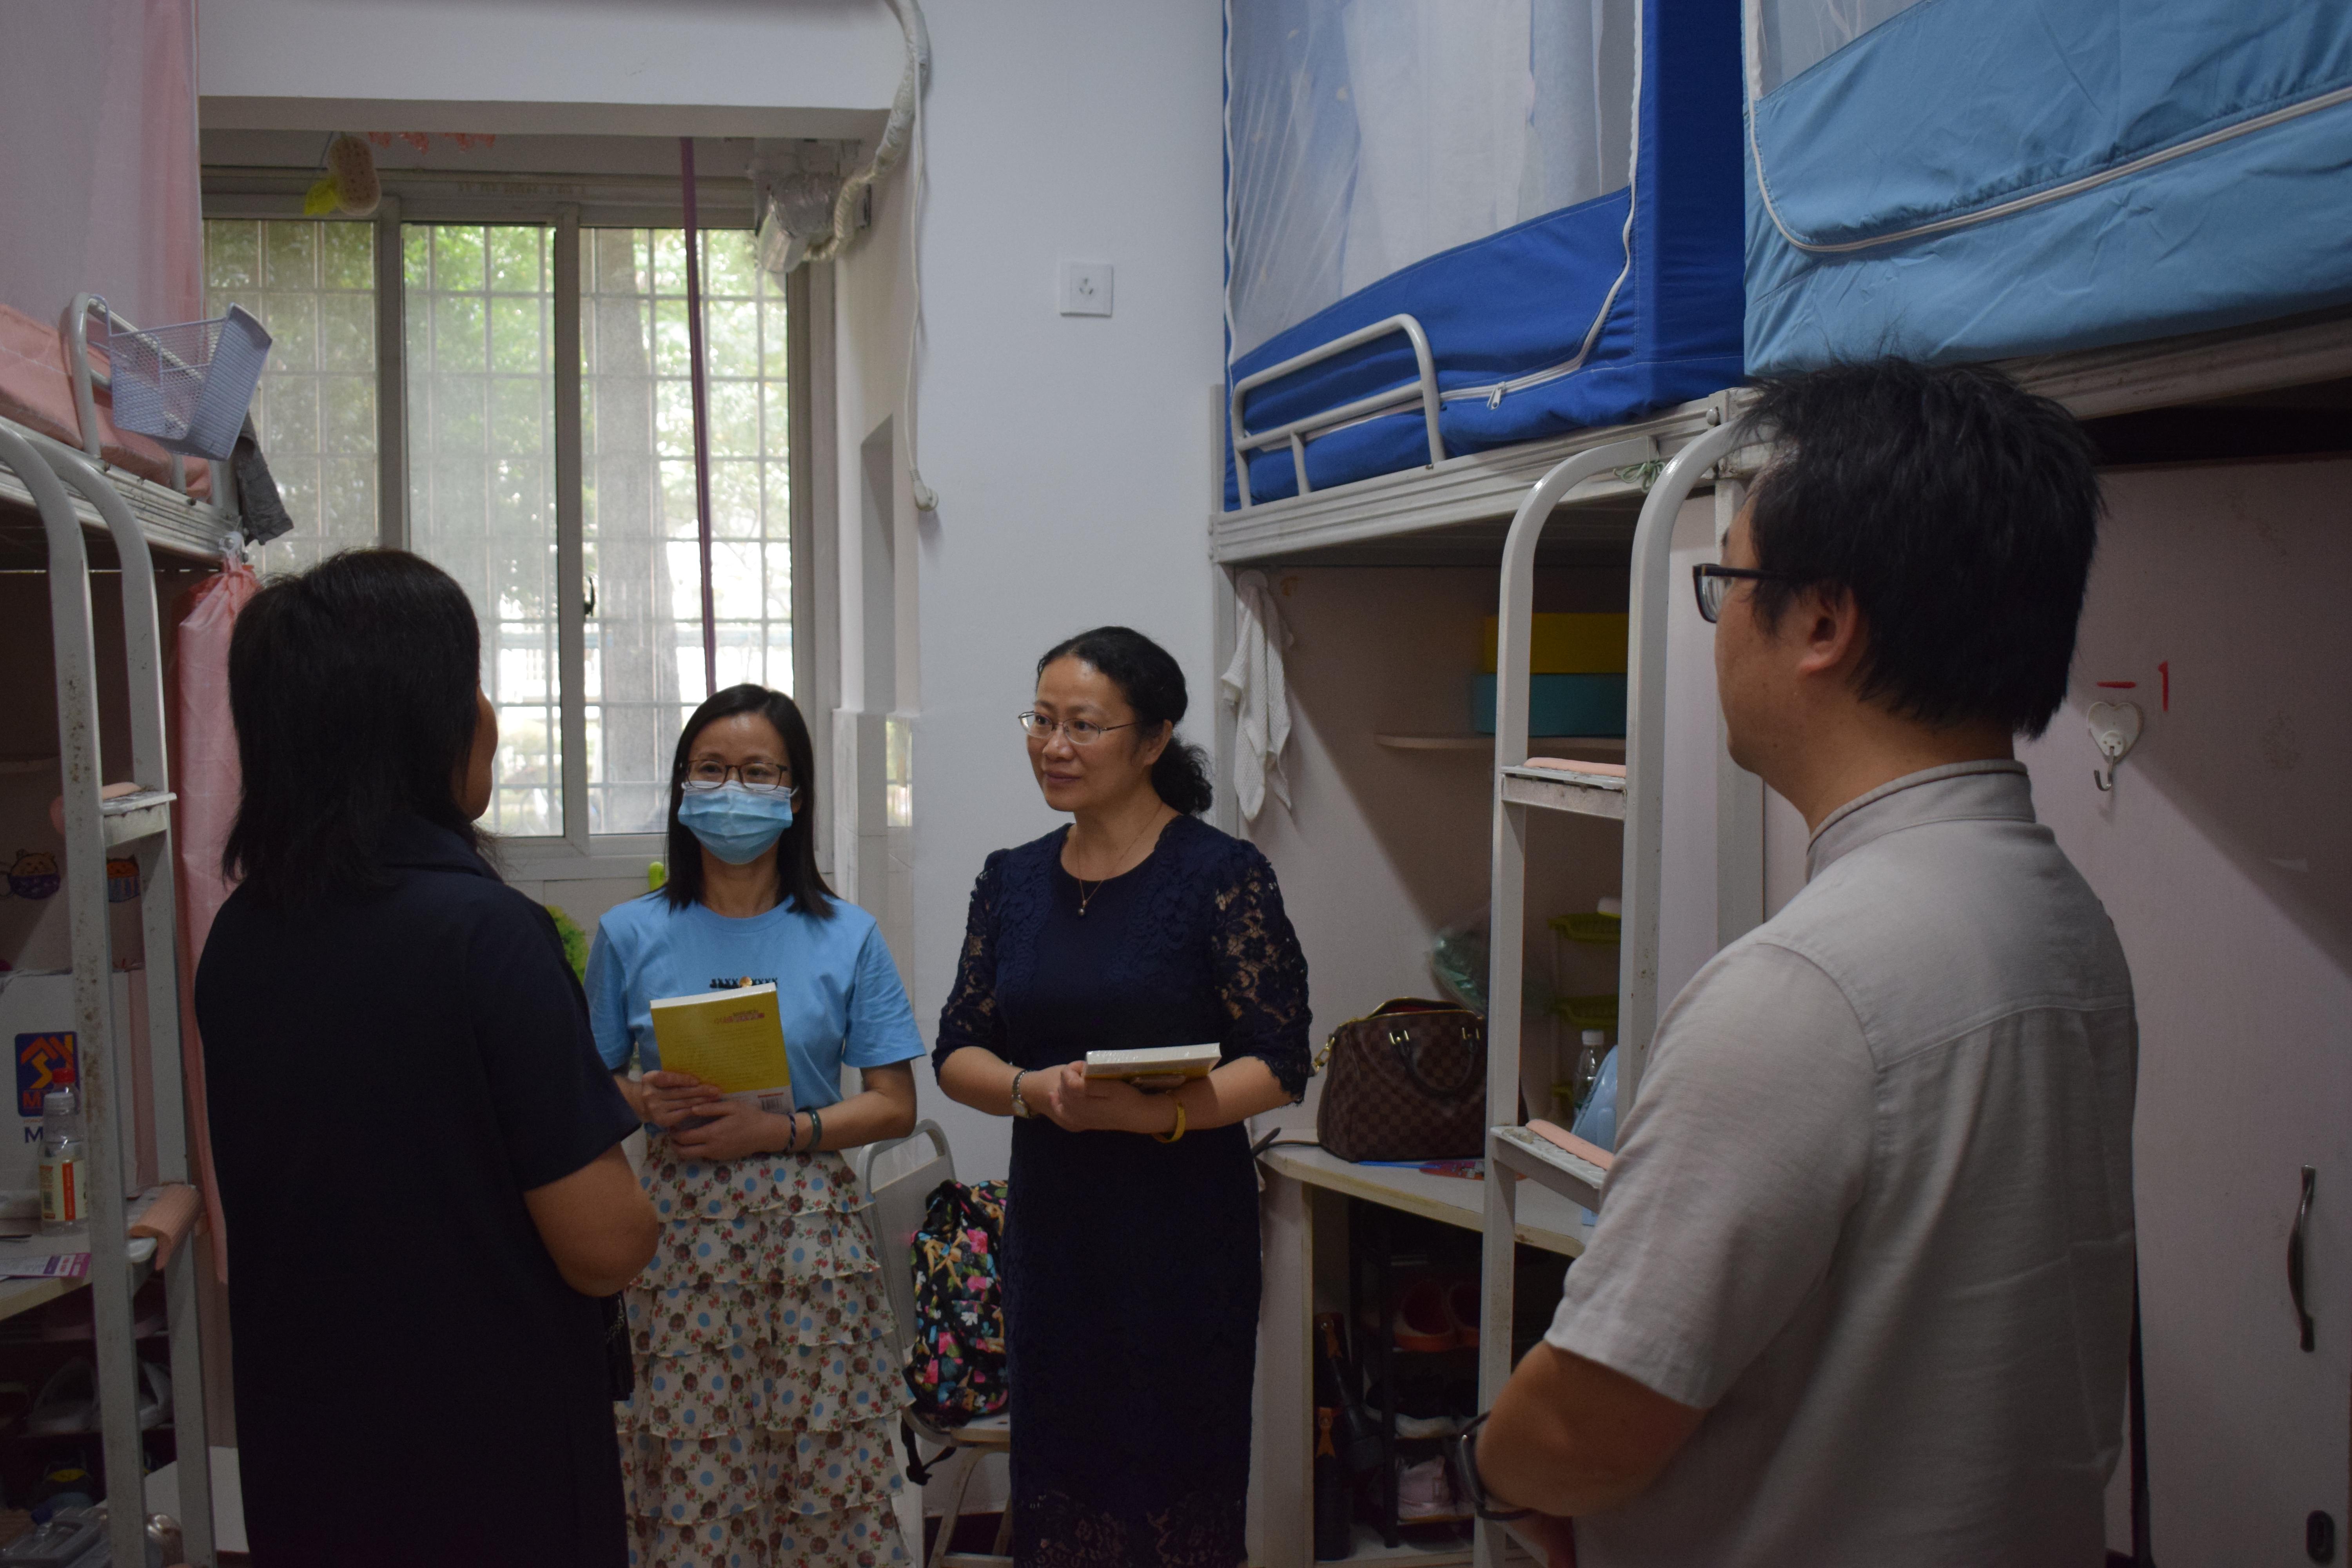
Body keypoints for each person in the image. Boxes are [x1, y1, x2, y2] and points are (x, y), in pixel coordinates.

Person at [1463, 360, 2136, 1566]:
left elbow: (1590, 1419)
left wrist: (1488, 1472)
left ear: (1823, 622)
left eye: (1726, 583)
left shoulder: (1809, 984)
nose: (1718, 630)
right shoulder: (2061, 917)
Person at [196, 549, 659, 1568]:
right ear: (420, 724)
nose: (485, 710)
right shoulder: (486, 934)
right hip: (486, 1464)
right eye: (469, 681)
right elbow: (606, 1244)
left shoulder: (241, 938)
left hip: (307, 1453)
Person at [934, 627, 1311, 1568]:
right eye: (1041, 720)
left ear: (1153, 739)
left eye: (1084, 725)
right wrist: (1031, 1089)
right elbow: (958, 1049)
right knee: (1063, 1480)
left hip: (1183, 1239)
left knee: (1176, 1485)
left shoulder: (1221, 876)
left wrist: (1161, 1113)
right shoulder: (1011, 879)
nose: (1054, 745)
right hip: (1056, 1236)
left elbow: (1278, 1057)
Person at [588, 684, 923, 1568]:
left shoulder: (847, 934)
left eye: (759, 772)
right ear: (681, 786)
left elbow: (894, 1103)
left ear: (796, 795)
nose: (733, 790)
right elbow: (586, 1082)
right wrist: (643, 1102)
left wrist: (780, 1133)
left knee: (821, 1474)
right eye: (712, 769)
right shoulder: (628, 934)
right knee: (694, 1476)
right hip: (676, 1239)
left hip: (809, 1239)